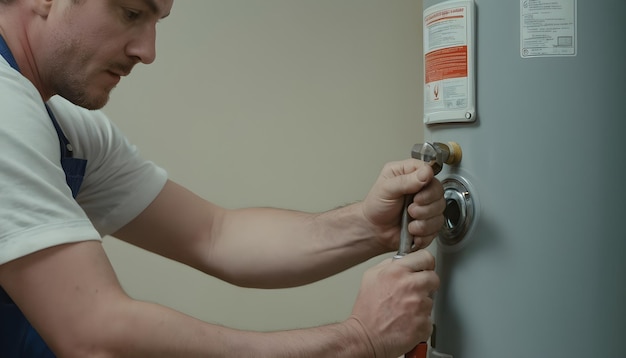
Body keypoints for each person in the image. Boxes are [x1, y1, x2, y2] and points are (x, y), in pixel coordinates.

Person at [0, 0, 445, 357]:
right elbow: (95, 336)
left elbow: (215, 235)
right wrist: (359, 340)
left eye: (158, 20)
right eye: (131, 12)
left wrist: (368, 226)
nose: (148, 51)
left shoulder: (66, 128)